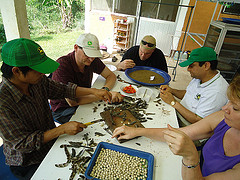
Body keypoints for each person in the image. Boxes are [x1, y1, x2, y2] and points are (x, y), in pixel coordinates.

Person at [0, 38, 112, 179]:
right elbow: (23, 143)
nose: (43, 74)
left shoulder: (37, 81)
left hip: (51, 143)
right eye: (38, 70)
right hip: (28, 161)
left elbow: (63, 90)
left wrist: (95, 92)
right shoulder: (3, 103)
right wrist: (62, 129)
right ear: (16, 71)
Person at [113, 75, 240, 179]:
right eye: (229, 101)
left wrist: (191, 158)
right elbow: (180, 132)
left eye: (235, 108)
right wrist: (137, 131)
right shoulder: (222, 118)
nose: (224, 108)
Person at [50, 33, 123, 124]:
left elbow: (110, 76)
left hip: (84, 99)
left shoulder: (91, 59)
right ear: (76, 48)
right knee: (98, 122)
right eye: (87, 54)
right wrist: (103, 95)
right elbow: (73, 102)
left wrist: (105, 90)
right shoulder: (62, 66)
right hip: (64, 108)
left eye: (93, 55)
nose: (91, 59)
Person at [160, 47, 228, 126]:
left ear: (206, 65)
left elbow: (199, 121)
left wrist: (173, 102)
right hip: (179, 114)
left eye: (191, 66)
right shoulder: (199, 77)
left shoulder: (217, 92)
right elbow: (189, 94)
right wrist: (172, 91)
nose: (188, 69)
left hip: (188, 127)